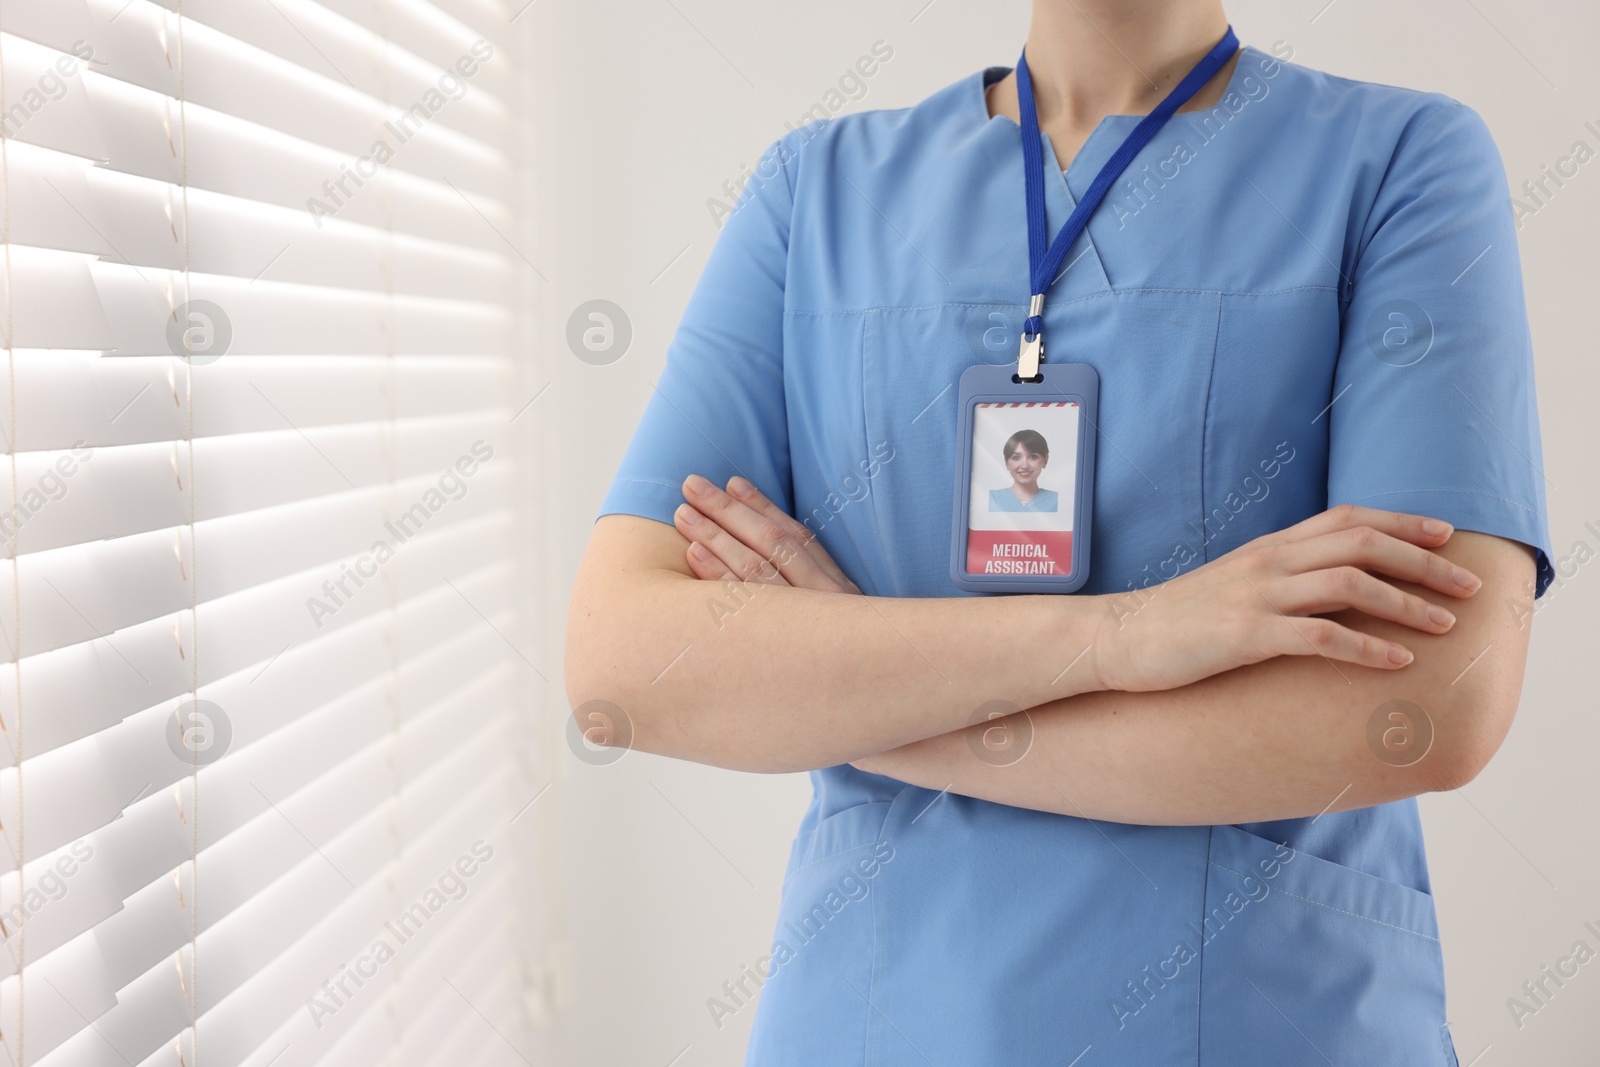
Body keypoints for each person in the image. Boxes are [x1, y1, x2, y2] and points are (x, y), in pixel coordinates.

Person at [566, 2, 1555, 1063]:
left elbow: (1420, 707)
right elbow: (626, 667)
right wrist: (1126, 635)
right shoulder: (812, 192)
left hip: (1263, 1021)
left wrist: (851, 699)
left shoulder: (1401, 162)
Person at [988, 428, 1059, 512]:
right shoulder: (991, 499)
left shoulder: (1057, 501)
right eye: (1016, 457)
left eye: (1033, 457)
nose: (1025, 465)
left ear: (1045, 460)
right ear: (1006, 462)